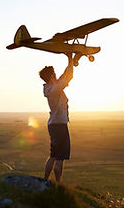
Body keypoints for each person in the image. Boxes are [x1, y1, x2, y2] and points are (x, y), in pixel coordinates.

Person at [39, 52, 81, 183]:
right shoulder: (55, 89)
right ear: (51, 76)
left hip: (53, 124)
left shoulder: (50, 88)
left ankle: (45, 181)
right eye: (54, 74)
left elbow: (66, 75)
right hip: (59, 125)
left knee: (53, 155)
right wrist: (69, 58)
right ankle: (59, 184)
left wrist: (72, 60)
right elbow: (68, 77)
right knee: (60, 157)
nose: (56, 75)